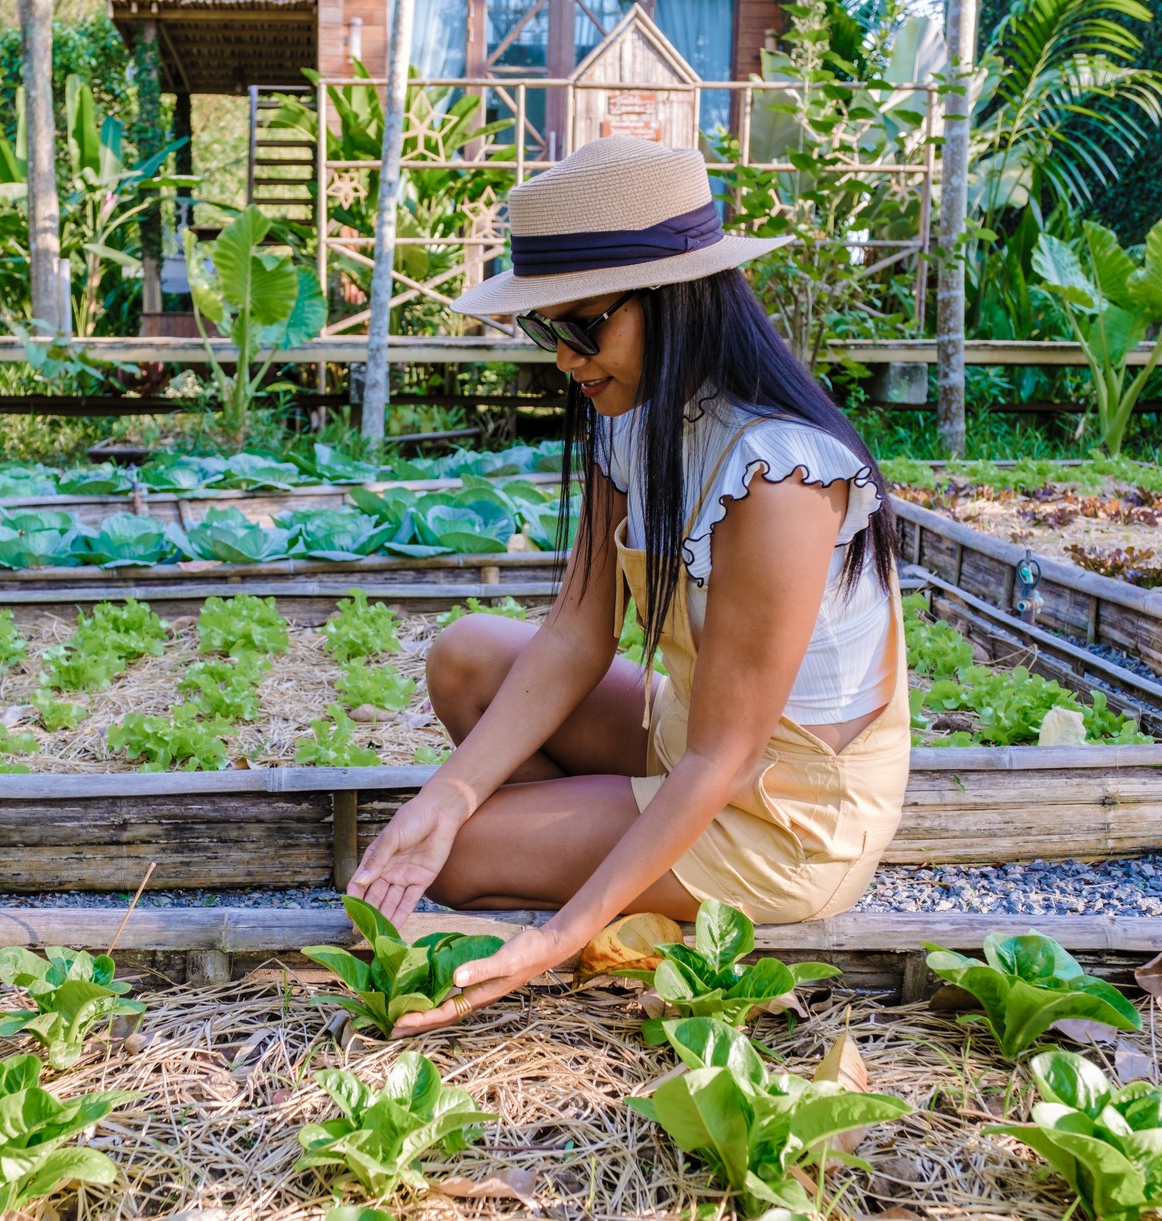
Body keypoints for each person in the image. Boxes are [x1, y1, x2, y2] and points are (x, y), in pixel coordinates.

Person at [346, 135, 908, 1037]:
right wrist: (444, 794)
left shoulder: (779, 475)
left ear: (675, 302)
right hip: (693, 741)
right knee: (466, 660)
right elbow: (577, 633)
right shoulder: (633, 419)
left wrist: (560, 937)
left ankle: (582, 868)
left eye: (581, 326)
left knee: (459, 865)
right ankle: (580, 841)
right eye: (545, 329)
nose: (565, 358)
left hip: (783, 813)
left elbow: (725, 758)